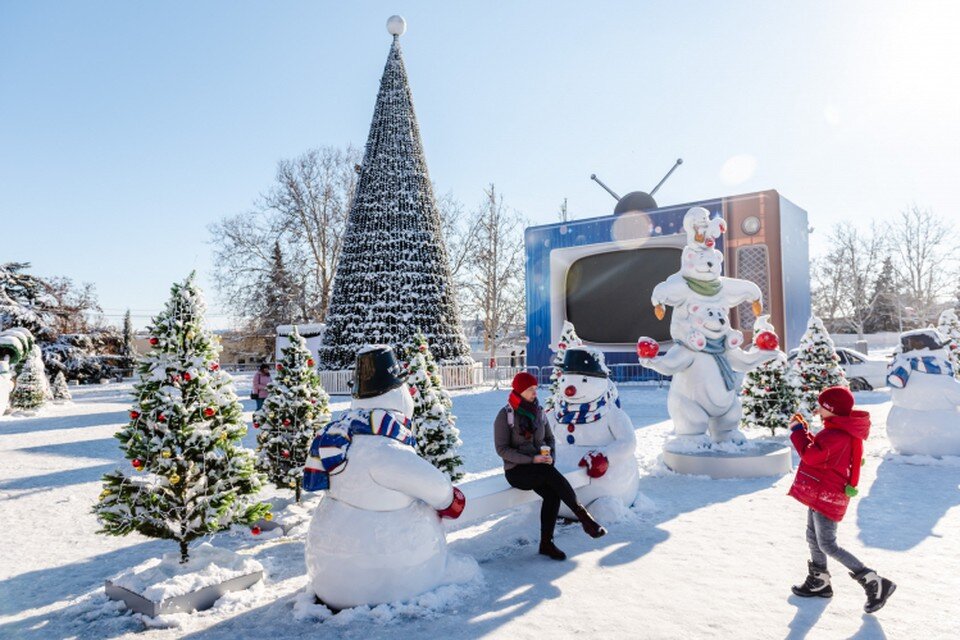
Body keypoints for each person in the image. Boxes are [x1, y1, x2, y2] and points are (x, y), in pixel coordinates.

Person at [788, 386, 896, 613]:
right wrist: (806, 433)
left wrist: (798, 431)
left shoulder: (834, 434)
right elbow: (819, 451)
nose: (817, 410)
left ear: (832, 410)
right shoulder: (837, 430)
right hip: (824, 492)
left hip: (827, 494)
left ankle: (874, 582)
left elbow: (811, 456)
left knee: (827, 543)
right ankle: (819, 581)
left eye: (821, 406)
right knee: (813, 537)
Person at [494, 371, 606, 560]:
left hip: (541, 469)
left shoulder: (538, 412)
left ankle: (547, 544)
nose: (534, 393)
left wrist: (549, 455)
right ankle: (583, 517)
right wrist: (532, 460)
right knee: (547, 473)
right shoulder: (505, 416)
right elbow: (502, 450)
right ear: (519, 391)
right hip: (517, 472)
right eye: (530, 389)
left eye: (535, 389)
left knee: (552, 495)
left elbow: (549, 438)